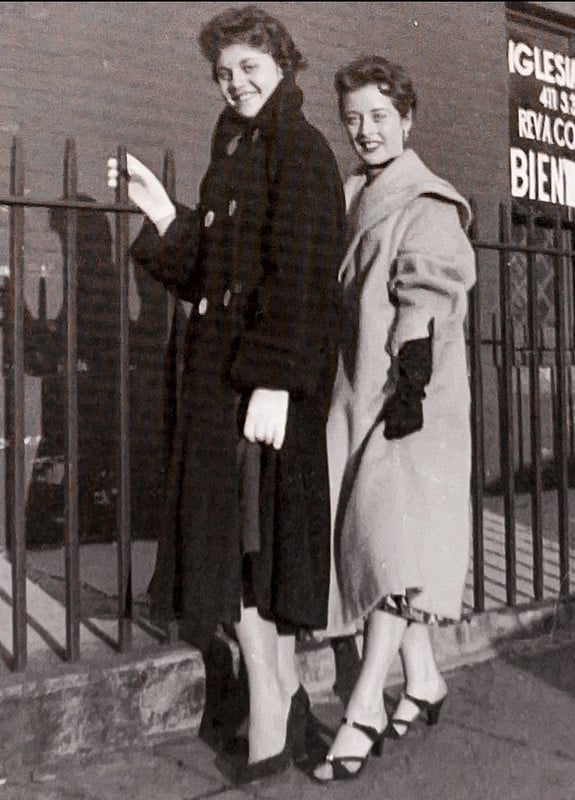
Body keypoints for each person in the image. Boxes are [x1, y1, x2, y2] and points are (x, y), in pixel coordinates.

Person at [107, 5, 345, 785]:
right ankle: (282, 695)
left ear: (283, 65)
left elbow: (302, 276)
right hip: (226, 385)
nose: (234, 82)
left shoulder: (300, 151)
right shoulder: (236, 147)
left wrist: (275, 380)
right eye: (223, 72)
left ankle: (273, 706)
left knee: (251, 549)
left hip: (259, 387)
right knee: (241, 549)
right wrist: (162, 212)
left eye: (248, 67)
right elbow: (210, 269)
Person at [313, 55, 476, 782]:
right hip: (361, 388)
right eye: (353, 119)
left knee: (388, 546)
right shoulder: (354, 193)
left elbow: (425, 296)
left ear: (407, 120)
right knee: (380, 543)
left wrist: (408, 389)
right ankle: (426, 679)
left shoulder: (428, 200)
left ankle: (363, 708)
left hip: (413, 397)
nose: (366, 130)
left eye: (380, 116)